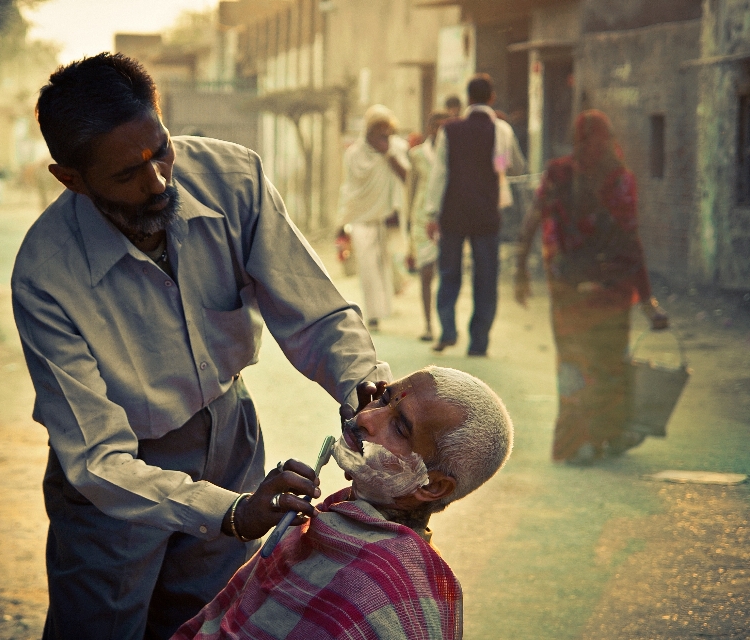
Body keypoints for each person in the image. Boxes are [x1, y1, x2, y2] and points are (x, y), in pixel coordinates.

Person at [10, 53, 392, 640]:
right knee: (101, 625)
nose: (158, 180)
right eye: (126, 175)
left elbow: (312, 312)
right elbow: (98, 462)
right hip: (115, 486)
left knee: (209, 624)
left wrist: (362, 388)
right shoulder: (46, 274)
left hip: (229, 434)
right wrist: (232, 512)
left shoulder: (233, 179)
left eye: (160, 150)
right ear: (71, 178)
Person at [172, 365, 513, 640]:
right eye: (383, 400)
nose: (365, 417)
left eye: (400, 428)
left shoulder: (393, 599)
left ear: (433, 486)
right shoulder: (324, 522)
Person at [515, 109, 669, 465]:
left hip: (591, 292)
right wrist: (520, 268)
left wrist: (647, 300)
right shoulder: (603, 177)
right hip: (587, 292)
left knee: (597, 365)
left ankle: (599, 439)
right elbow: (536, 218)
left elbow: (629, 239)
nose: (593, 145)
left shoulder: (605, 177)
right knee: (587, 365)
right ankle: (589, 440)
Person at [426, 74, 526, 356]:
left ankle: (447, 329)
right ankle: (478, 342)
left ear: (468, 98)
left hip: (453, 212)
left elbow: (440, 174)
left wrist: (432, 214)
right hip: (486, 213)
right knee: (485, 277)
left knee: (449, 273)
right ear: (491, 97)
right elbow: (509, 166)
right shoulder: (502, 130)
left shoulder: (449, 131)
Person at [336, 104, 410, 331]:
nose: (383, 133)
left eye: (386, 129)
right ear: (368, 129)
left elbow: (406, 176)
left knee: (385, 264)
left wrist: (387, 153)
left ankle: (383, 308)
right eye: (378, 128)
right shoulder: (354, 154)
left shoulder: (395, 148)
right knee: (368, 267)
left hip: (387, 218)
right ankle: (373, 314)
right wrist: (342, 221)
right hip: (361, 218)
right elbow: (351, 189)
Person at [407, 111, 449, 342]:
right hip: (421, 218)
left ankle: (445, 325)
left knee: (445, 274)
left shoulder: (454, 152)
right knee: (426, 272)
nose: (439, 131)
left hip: (447, 219)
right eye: (435, 126)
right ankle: (428, 324)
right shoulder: (417, 155)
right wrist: (407, 222)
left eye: (444, 126)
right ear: (429, 127)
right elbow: (410, 190)